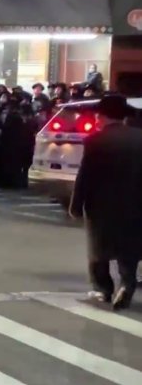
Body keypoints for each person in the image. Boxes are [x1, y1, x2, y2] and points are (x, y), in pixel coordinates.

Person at [69, 95, 142, 310]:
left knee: (98, 251)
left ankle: (104, 289)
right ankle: (127, 284)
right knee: (129, 249)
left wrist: (76, 205)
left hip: (102, 206)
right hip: (135, 204)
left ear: (102, 115)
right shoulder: (139, 139)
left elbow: (85, 176)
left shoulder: (95, 141)